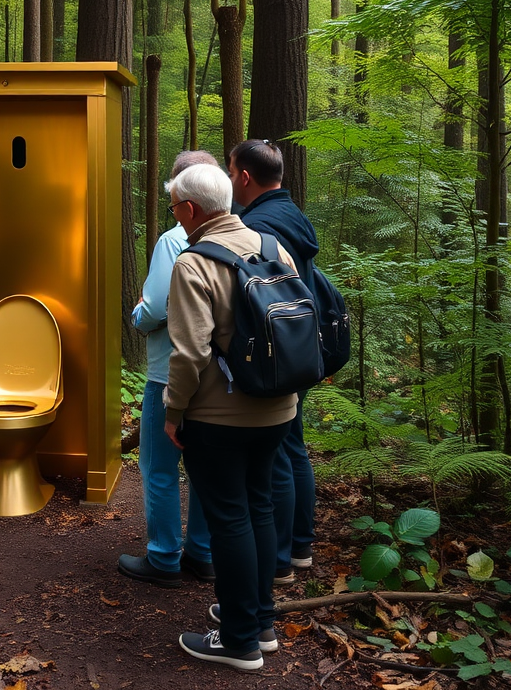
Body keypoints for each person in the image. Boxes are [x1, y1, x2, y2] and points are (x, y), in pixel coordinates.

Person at [163, 163, 297, 671]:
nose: (175, 214)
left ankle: (239, 639)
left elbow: (190, 355)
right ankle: (258, 621)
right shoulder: (270, 246)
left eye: (175, 205)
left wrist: (173, 413)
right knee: (258, 507)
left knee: (229, 520)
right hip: (278, 408)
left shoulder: (194, 263)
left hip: (220, 417)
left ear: (191, 210)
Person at [117, 150, 216, 589]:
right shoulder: (239, 236)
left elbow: (155, 307)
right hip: (215, 375)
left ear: (182, 196)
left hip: (166, 371)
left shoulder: (174, 240)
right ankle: (202, 552)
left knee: (158, 467)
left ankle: (162, 557)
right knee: (203, 468)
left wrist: (138, 316)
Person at [228, 139, 318, 585]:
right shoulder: (292, 213)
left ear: (244, 176)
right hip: (298, 344)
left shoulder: (261, 224)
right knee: (293, 446)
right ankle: (300, 544)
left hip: (276, 349)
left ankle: (279, 558)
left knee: (279, 454)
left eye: (230, 173)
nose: (229, 181)